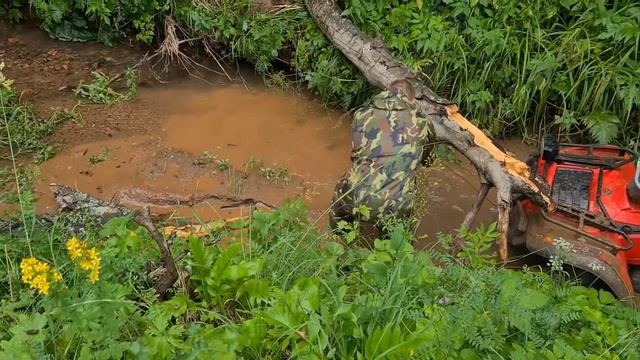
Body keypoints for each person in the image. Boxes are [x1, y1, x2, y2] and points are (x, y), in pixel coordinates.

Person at [329, 79, 434, 238]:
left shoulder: (362, 114)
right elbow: (427, 161)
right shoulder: (423, 122)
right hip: (395, 206)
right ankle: (392, 249)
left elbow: (356, 155)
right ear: (410, 99)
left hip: (354, 195)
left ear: (386, 92)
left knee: (343, 189)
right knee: (397, 247)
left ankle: (337, 240)